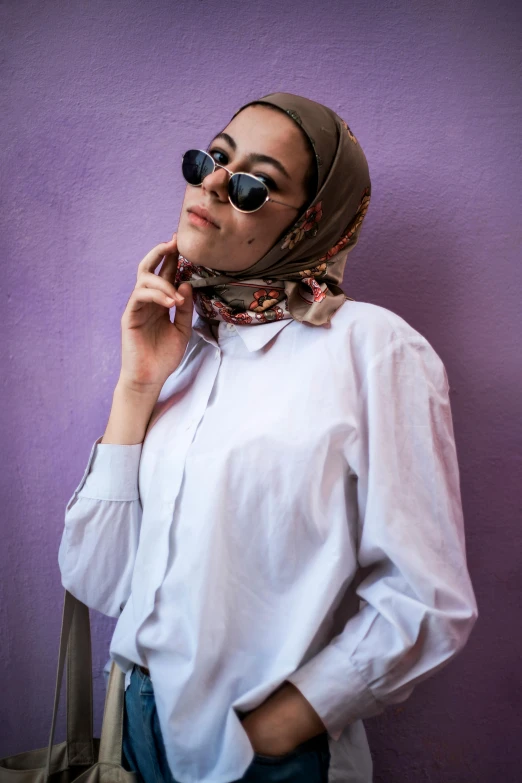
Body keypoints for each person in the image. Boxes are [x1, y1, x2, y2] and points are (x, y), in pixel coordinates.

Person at [58, 92, 478, 783]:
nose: (213, 183)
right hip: (130, 733)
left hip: (263, 757)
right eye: (211, 159)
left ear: (312, 223)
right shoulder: (186, 348)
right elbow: (98, 578)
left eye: (254, 184)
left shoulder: (370, 347)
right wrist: (136, 385)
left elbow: (428, 600)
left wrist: (277, 726)